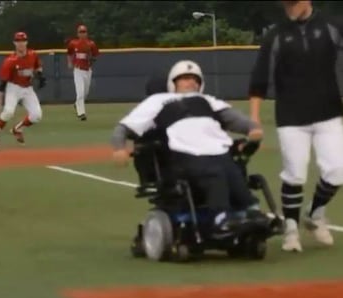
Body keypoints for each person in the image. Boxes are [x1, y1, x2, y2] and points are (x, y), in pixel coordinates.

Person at [248, 0, 343, 252]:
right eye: (286, 5)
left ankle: (314, 213)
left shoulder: (332, 26)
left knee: (337, 169)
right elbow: (259, 78)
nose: (290, 9)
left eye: (294, 3)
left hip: (329, 113)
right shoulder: (275, 35)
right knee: (295, 173)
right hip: (291, 117)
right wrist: (254, 118)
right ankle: (291, 230)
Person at [111, 60, 264, 213]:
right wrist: (119, 148)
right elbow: (123, 128)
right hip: (182, 154)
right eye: (185, 78)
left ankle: (250, 209)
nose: (191, 82)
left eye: (195, 79)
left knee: (233, 173)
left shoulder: (208, 101)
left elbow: (238, 121)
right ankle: (220, 215)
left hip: (218, 151)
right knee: (215, 173)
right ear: (174, 83)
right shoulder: (157, 100)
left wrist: (252, 129)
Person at [0, 31, 46, 149]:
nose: (21, 43)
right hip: (13, 87)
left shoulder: (32, 54)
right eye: (18, 41)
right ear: (14, 43)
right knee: (8, 111)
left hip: (27, 88)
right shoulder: (10, 61)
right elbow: (3, 82)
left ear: (27, 42)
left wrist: (40, 75)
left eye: (23, 41)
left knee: (37, 115)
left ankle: (17, 129)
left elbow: (38, 65)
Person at [66, 24, 100, 121]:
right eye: (80, 32)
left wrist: (91, 59)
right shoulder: (73, 43)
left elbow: (96, 55)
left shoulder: (91, 44)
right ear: (77, 34)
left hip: (87, 70)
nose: (82, 34)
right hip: (78, 70)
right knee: (80, 92)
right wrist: (69, 62)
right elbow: (69, 53)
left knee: (85, 92)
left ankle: (77, 104)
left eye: (84, 32)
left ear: (87, 33)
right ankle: (81, 113)